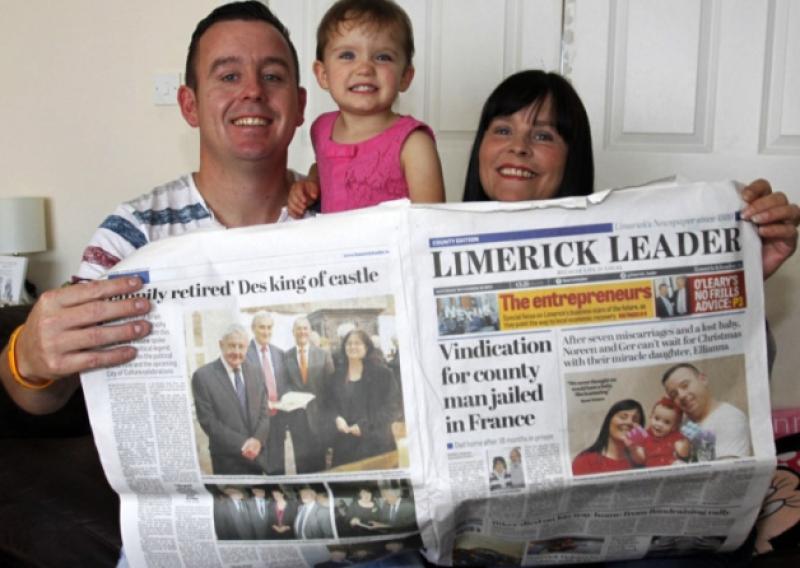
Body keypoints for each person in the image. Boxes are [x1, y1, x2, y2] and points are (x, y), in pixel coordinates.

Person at [0, 0, 309, 417]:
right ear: (189, 105)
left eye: (272, 76)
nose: (252, 90)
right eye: (229, 76)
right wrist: (28, 359)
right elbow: (41, 399)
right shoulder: (131, 231)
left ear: (301, 105)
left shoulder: (343, 215)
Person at [461, 70, 799, 283]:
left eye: (544, 135)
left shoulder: (627, 256)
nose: (518, 147)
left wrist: (746, 276)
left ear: (572, 158)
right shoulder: (431, 251)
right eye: (503, 129)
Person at [287, 0, 444, 216]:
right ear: (323, 74)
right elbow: (324, 168)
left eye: (382, 57)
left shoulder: (414, 144)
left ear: (405, 77)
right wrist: (310, 184)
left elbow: (433, 224)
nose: (364, 68)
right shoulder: (322, 128)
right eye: (347, 55)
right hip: (330, 248)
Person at [191, 324, 271, 475]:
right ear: (221, 345)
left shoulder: (256, 371)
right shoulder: (203, 377)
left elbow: (264, 412)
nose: (237, 352)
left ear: (247, 347)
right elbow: (208, 421)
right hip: (227, 460)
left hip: (257, 457)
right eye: (232, 346)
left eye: (241, 347)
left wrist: (257, 440)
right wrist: (243, 444)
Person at [331, 329, 398, 467]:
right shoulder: (336, 376)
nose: (352, 347)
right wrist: (336, 418)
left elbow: (393, 408)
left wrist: (365, 426)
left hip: (375, 444)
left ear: (367, 347)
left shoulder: (383, 374)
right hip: (345, 446)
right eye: (348, 343)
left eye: (357, 343)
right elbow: (329, 404)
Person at [662, 363, 751, 458]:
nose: (681, 395)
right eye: (674, 394)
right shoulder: (685, 423)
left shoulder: (730, 418)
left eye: (685, 385)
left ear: (703, 379)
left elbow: (727, 470)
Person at [285, 316, 336, 472]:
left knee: (320, 464)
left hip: (319, 420)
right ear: (293, 332)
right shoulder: (286, 356)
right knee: (301, 465)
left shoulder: (323, 355)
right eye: (298, 328)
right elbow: (284, 384)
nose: (302, 332)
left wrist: (329, 419)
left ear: (310, 331)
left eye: (305, 328)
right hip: (297, 420)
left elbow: (331, 389)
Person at [246, 311, 292, 474]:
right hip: (257, 422)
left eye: (269, 327)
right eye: (261, 327)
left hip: (278, 419)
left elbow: (284, 383)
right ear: (253, 329)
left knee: (278, 465)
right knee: (258, 465)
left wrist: (287, 399)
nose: (266, 331)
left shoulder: (279, 353)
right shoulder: (244, 354)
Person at [571, 399, 644, 475]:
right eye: (623, 417)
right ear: (608, 421)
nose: (629, 422)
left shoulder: (642, 461)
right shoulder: (585, 461)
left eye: (635, 419)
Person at [628, 397, 690, 468]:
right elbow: (641, 459)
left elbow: (683, 453)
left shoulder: (674, 436)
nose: (659, 425)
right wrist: (634, 447)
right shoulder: (644, 435)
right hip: (653, 470)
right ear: (651, 417)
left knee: (679, 464)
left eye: (667, 422)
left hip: (671, 468)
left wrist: (684, 444)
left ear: (674, 427)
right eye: (656, 418)